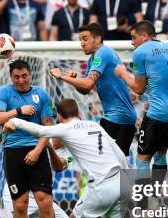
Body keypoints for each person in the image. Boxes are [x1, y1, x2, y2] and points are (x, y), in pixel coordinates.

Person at [3, 98, 131, 218]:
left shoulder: (65, 132)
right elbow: (120, 156)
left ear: (59, 118)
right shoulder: (93, 125)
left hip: (86, 186)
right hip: (120, 181)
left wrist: (17, 122)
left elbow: (50, 149)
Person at [0, 59, 56, 218]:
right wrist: (17, 111)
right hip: (13, 153)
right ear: (11, 77)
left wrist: (38, 151)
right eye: (16, 77)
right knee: (20, 206)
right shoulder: (4, 92)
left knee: (45, 202)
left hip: (37, 149)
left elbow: (48, 128)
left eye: (24, 76)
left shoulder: (42, 95)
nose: (21, 80)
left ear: (30, 75)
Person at [49, 23, 137, 155]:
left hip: (120, 117)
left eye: (85, 38)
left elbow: (88, 84)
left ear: (97, 38)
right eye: (80, 40)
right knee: (109, 161)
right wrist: (75, 81)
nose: (82, 43)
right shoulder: (93, 59)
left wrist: (61, 76)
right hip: (113, 117)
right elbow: (85, 90)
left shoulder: (103, 53)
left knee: (111, 161)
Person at [115, 20, 168, 172]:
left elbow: (139, 89)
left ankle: (144, 196)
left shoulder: (140, 52)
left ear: (145, 36)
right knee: (160, 154)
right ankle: (157, 195)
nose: (132, 43)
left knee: (142, 160)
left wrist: (123, 74)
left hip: (159, 114)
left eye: (133, 37)